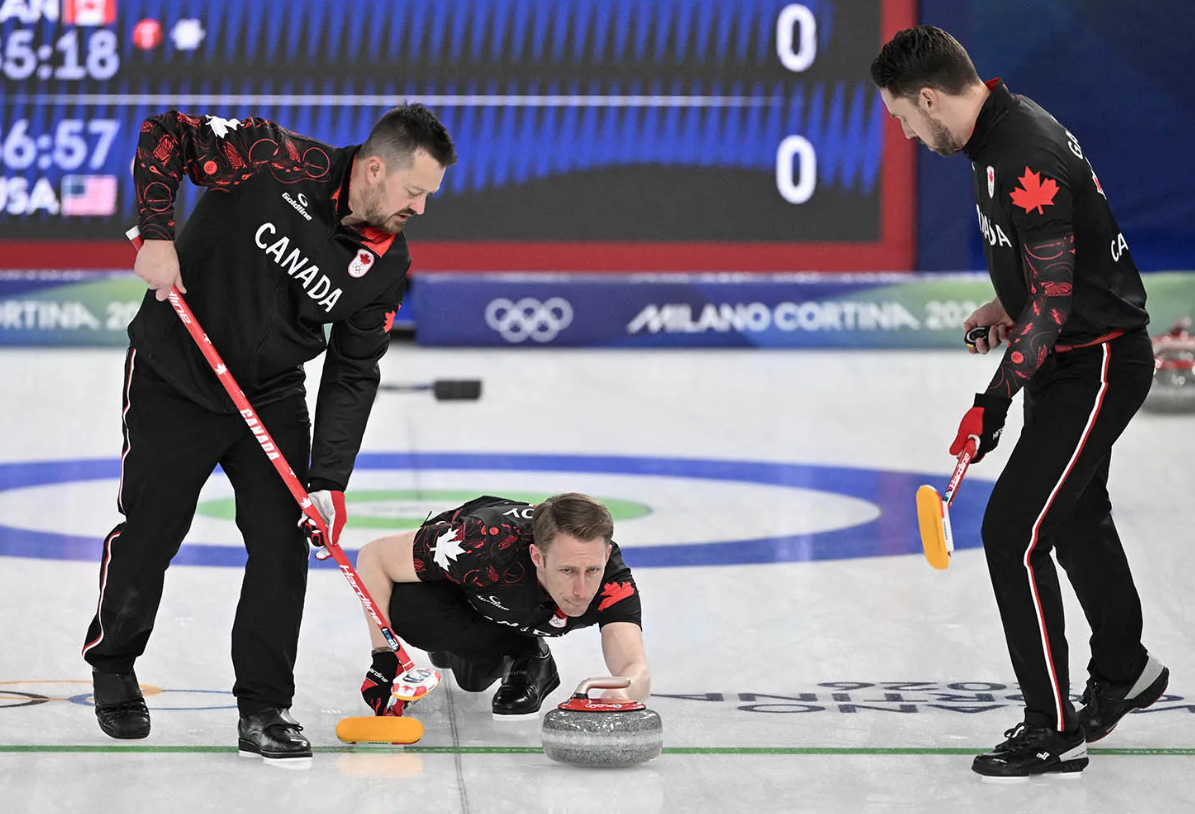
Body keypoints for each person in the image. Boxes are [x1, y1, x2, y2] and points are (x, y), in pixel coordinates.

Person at [81, 105, 457, 763]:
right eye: (414, 191)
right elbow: (165, 133)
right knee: (153, 530)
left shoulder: (385, 262)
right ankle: (113, 661)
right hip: (175, 373)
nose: (419, 208)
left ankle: (263, 707)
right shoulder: (272, 158)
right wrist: (159, 234)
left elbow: (353, 371)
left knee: (283, 546)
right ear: (375, 168)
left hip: (271, 394)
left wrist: (328, 480)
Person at [871, 27, 1168, 778]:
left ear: (929, 98)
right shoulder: (992, 137)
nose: (905, 135)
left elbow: (1057, 304)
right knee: (1072, 516)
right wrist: (1003, 306)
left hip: (1096, 364)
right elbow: (1050, 269)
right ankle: (1125, 669)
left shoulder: (1020, 152)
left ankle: (1053, 727)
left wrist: (992, 401)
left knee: (1012, 533)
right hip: (1071, 357)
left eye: (902, 117)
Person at [354, 493, 650, 718]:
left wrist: (623, 693)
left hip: (509, 605)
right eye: (567, 570)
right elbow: (373, 557)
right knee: (411, 609)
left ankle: (523, 655)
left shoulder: (612, 580)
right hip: (466, 593)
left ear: (605, 555)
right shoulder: (480, 543)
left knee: (472, 679)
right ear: (537, 557)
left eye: (592, 570)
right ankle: (519, 651)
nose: (582, 591)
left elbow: (634, 666)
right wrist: (384, 656)